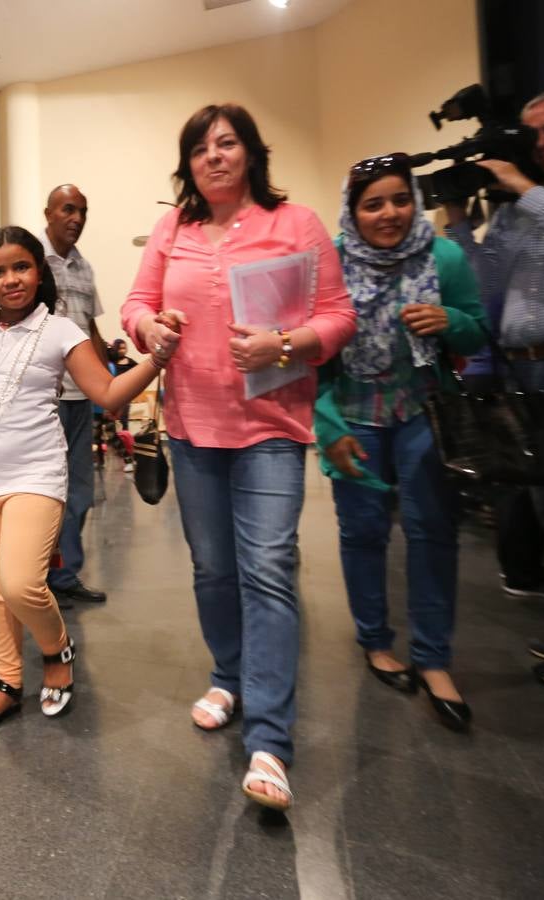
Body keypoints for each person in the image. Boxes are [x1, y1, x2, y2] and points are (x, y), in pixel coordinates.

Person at [121, 103, 356, 811]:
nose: (212, 157)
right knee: (212, 569)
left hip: (270, 428)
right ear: (187, 164)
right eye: (199, 148)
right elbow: (136, 303)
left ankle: (269, 739)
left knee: (267, 571)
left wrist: (282, 346)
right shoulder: (174, 228)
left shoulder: (297, 224)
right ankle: (227, 675)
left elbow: (337, 317)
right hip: (193, 428)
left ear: (251, 152)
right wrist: (149, 327)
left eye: (226, 144)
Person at [0, 226, 166, 736]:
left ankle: (56, 648)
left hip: (36, 475)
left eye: (20, 267)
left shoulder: (61, 330)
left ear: (39, 271)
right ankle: (6, 682)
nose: (10, 280)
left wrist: (157, 360)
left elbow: (108, 394)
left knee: (20, 584)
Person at [315, 154, 487, 731]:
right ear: (352, 211)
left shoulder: (445, 255)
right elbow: (311, 354)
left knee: (433, 533)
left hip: (422, 415)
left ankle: (435, 659)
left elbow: (477, 325)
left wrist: (450, 322)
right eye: (373, 204)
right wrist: (327, 424)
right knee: (362, 533)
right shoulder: (329, 262)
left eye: (399, 199)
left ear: (415, 200)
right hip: (354, 417)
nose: (389, 214)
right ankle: (374, 641)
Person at [444, 87, 544, 613]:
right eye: (537, 133)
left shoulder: (535, 201)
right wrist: (458, 223)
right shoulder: (516, 216)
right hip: (527, 373)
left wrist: (522, 185)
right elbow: (485, 282)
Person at [35, 184, 111, 607]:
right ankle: (38, 577)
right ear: (48, 213)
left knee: (80, 492)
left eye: (83, 211)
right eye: (68, 209)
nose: (76, 218)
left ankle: (63, 575)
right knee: (46, 494)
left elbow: (92, 329)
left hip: (80, 398)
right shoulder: (32, 260)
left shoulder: (85, 269)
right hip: (43, 398)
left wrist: (107, 387)